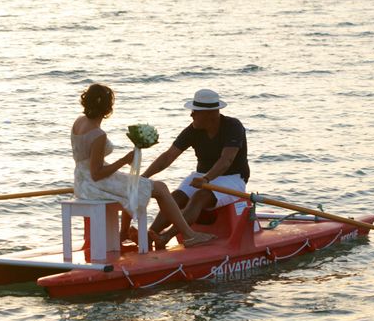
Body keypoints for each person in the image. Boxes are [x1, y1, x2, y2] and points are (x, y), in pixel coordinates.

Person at [71, 83, 215, 249]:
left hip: (81, 181)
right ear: (107, 108)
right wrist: (125, 160)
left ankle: (123, 233)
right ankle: (190, 235)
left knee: (133, 183)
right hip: (94, 184)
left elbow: (89, 164)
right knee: (160, 188)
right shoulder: (98, 134)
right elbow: (96, 173)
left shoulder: (79, 122)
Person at [142, 88, 249, 248]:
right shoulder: (193, 129)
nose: (191, 115)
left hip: (232, 178)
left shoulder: (233, 126)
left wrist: (207, 179)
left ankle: (167, 237)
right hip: (201, 175)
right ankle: (149, 236)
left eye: (195, 111)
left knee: (199, 196)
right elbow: (168, 156)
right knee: (174, 197)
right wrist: (143, 177)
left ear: (211, 114)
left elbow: (226, 160)